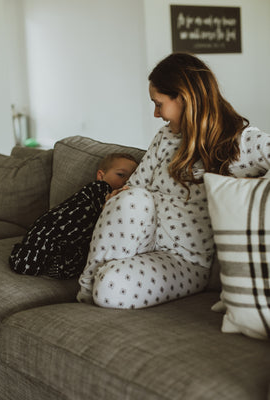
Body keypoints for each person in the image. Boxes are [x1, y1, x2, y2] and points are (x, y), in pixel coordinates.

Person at [77, 52, 270, 309]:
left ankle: (97, 286)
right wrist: (120, 197)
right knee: (131, 198)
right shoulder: (165, 136)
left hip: (183, 260)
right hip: (141, 238)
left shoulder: (240, 142)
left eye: (158, 103)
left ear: (184, 98)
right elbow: (136, 186)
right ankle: (84, 291)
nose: (156, 114)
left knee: (109, 288)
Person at [9, 153, 138, 279]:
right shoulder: (99, 188)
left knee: (78, 260)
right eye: (120, 175)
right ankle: (32, 257)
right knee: (26, 262)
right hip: (51, 232)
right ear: (101, 175)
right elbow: (108, 213)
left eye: (130, 178)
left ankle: (45, 263)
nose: (125, 181)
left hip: (67, 245)